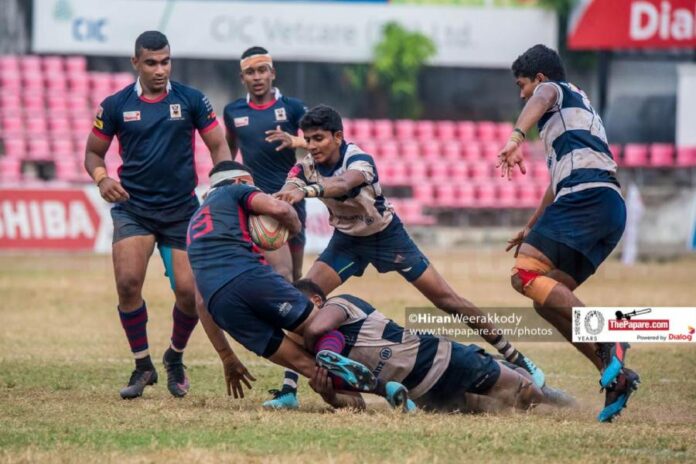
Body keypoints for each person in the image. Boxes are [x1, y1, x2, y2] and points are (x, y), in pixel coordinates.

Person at [273, 105, 547, 389]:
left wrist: (306, 190)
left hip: (387, 237)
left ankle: (516, 357)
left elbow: (343, 183)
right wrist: (278, 202)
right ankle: (289, 389)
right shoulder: (305, 166)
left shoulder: (359, 159)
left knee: (447, 300)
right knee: (301, 305)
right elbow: (289, 189)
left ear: (338, 137)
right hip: (346, 242)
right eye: (308, 139)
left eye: (319, 138)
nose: (312, 146)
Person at [186, 161, 413, 411]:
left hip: (221, 305)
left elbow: (200, 302)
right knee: (322, 329)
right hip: (250, 277)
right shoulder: (236, 190)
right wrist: (293, 228)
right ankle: (386, 384)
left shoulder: (194, 225)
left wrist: (227, 356)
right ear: (242, 181)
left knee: (303, 363)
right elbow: (280, 209)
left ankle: (362, 393)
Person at [84, 31, 233, 399]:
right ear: (136, 62)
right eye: (151, 63)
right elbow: (93, 154)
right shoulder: (115, 105)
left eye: (165, 61)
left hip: (181, 210)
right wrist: (102, 179)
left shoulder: (191, 99)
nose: (160, 69)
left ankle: (175, 356)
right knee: (127, 283)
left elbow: (218, 145)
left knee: (189, 293)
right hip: (134, 208)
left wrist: (224, 183)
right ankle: (142, 365)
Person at [495, 44, 639, 422]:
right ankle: (615, 376)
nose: (522, 94)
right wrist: (531, 226)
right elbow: (556, 183)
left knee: (524, 275)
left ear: (540, 78)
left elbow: (541, 96)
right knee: (546, 300)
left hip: (586, 198)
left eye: (522, 85)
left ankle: (608, 339)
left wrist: (515, 137)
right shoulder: (574, 112)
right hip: (608, 207)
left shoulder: (554, 90)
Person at [294, 279, 550, 413]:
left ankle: (557, 398)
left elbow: (317, 329)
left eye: (297, 307)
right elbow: (357, 405)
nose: (294, 320)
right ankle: (506, 368)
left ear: (317, 300)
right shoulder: (327, 357)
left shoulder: (340, 304)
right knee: (498, 407)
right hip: (426, 396)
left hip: (443, 360)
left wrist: (312, 348)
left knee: (529, 396)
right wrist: (329, 395)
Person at [222, 46, 308, 409]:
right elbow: (227, 157)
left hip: (291, 208)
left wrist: (296, 141)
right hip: (257, 210)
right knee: (285, 284)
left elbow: (323, 142)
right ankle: (290, 379)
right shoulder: (233, 112)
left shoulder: (294, 108)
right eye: (250, 72)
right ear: (242, 77)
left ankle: (292, 380)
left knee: (296, 289)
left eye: (262, 70)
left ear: (273, 73)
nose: (257, 77)